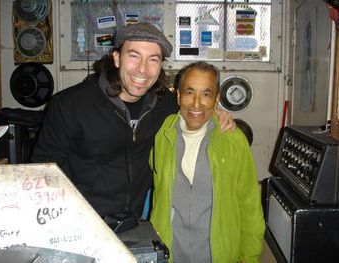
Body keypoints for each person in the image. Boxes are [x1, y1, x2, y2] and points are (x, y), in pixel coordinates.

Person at [31, 22, 235, 222]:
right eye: (134, 56)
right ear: (117, 58)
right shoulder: (70, 105)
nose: (142, 70)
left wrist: (216, 112)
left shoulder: (165, 104)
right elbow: (42, 171)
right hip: (78, 222)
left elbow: (194, 104)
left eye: (153, 60)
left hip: (131, 223)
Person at [149, 61, 265, 263]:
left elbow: (250, 205)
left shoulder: (233, 140)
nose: (196, 103)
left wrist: (249, 256)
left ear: (217, 99)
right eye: (189, 92)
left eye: (206, 94)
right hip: (169, 251)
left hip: (218, 254)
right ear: (178, 95)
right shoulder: (163, 134)